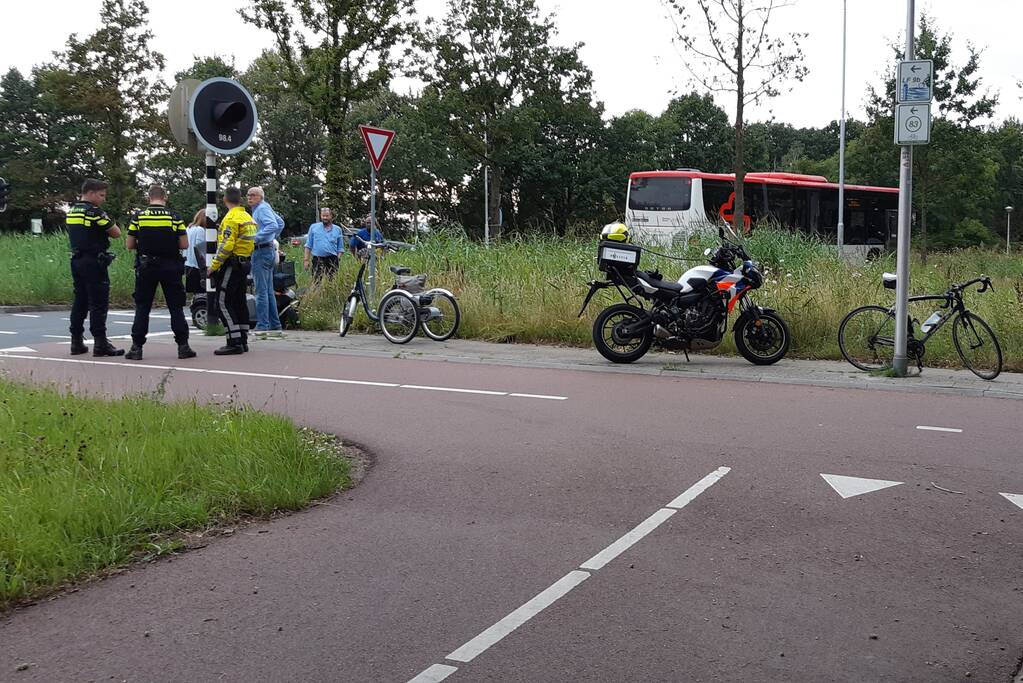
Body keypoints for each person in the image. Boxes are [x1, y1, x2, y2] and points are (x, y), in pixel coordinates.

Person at [123, 185, 195, 361]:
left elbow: (130, 245)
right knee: (175, 307)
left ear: (149, 198)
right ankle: (183, 347)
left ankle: (136, 348)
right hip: (171, 266)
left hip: (146, 266)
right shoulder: (174, 217)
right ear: (165, 197)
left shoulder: (138, 217)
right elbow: (184, 245)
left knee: (142, 307)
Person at [67, 178, 124, 357]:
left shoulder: (72, 211)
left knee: (80, 301)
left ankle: (76, 341)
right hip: (94, 261)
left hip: (77, 260)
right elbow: (116, 233)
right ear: (90, 193)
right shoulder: (95, 212)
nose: (103, 199)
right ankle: (100, 343)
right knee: (98, 302)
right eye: (101, 195)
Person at [208, 187, 257, 355]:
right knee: (239, 302)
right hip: (244, 263)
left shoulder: (231, 218)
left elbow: (226, 246)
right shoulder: (247, 217)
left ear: (224, 199)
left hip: (232, 264)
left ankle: (234, 341)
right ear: (240, 199)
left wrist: (213, 267)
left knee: (222, 302)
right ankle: (243, 339)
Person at [247, 186, 285, 337]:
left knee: (261, 291)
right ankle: (275, 323)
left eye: (253, 195)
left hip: (261, 250)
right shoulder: (265, 207)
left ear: (260, 197)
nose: (249, 197)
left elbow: (273, 225)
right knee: (268, 290)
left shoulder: (261, 209)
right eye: (248, 195)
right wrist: (272, 238)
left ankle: (263, 324)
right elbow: (280, 223)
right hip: (268, 250)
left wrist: (256, 238)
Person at [303, 207, 345, 280]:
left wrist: (337, 259)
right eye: (323, 216)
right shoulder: (313, 227)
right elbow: (308, 245)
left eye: (327, 216)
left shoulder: (338, 229)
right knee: (316, 282)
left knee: (332, 282)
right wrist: (306, 260)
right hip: (318, 260)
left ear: (331, 216)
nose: (325, 218)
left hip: (332, 260)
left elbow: (340, 248)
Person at [183, 209, 206, 295]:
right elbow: (200, 250)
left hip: (188, 265)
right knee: (202, 294)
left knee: (195, 295)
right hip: (197, 267)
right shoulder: (200, 230)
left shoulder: (189, 228)